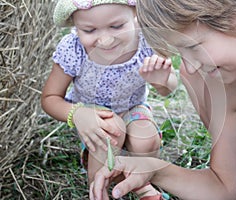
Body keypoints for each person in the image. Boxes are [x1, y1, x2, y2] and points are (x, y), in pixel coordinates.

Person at [89, 0, 236, 199]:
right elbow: (223, 188)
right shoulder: (222, 81)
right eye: (180, 53)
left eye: (193, 46)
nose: (190, 65)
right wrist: (152, 169)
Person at [41, 0, 177, 199]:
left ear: (135, 13)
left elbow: (169, 88)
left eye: (116, 26)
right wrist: (77, 114)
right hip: (92, 113)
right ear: (74, 25)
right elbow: (50, 98)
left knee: (145, 138)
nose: (105, 40)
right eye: (89, 30)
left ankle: (141, 179)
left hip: (133, 107)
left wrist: (162, 80)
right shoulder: (74, 50)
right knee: (111, 132)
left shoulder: (147, 40)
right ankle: (99, 189)